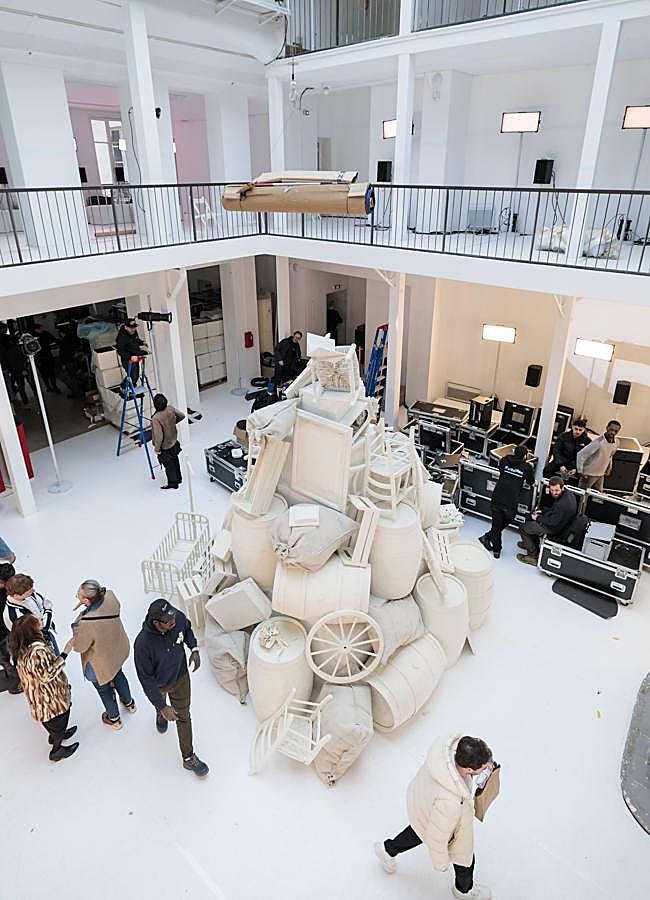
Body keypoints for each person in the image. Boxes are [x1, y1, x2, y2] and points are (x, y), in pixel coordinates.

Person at [374, 734, 493, 899]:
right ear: (469, 770)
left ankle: (387, 850)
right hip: (441, 815)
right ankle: (464, 891)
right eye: (482, 767)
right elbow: (436, 836)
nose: (486, 767)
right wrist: (441, 863)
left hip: (425, 805)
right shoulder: (450, 802)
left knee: (418, 830)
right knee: (465, 859)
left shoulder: (445, 752)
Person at [134, 599, 208, 777]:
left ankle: (188, 757)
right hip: (159, 685)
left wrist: (194, 648)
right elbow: (146, 680)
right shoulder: (142, 644)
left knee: (183, 716)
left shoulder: (178, 619)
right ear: (156, 623)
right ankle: (160, 714)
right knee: (162, 706)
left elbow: (187, 629)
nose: (173, 622)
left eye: (173, 618)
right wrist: (161, 706)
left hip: (181, 677)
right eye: (168, 622)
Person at [8, 614, 78, 762]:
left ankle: (56, 736)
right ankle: (57, 749)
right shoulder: (37, 651)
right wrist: (65, 653)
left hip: (39, 698)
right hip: (50, 698)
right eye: (37, 621)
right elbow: (46, 676)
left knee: (54, 724)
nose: (40, 620)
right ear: (32, 630)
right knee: (60, 719)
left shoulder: (20, 648)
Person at [70, 580, 135, 730]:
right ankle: (129, 703)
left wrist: (75, 626)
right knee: (119, 675)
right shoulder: (111, 597)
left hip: (101, 664)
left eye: (79, 596)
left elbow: (79, 647)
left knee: (104, 689)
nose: (77, 597)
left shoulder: (86, 623)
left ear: (86, 600)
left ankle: (114, 718)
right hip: (117, 652)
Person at [479, 445, 534, 559]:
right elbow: (530, 481)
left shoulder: (504, 460)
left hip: (497, 497)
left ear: (514, 453)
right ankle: (497, 550)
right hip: (511, 501)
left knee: (496, 525)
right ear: (525, 456)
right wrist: (529, 469)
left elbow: (501, 468)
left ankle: (488, 537)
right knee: (503, 523)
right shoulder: (526, 467)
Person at [517, 475, 577, 565]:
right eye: (552, 490)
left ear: (562, 487)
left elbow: (552, 522)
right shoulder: (568, 494)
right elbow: (554, 510)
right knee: (531, 518)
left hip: (554, 528)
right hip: (559, 522)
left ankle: (532, 555)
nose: (554, 493)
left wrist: (538, 518)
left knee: (523, 528)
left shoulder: (562, 504)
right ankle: (531, 544)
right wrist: (543, 511)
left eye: (556, 490)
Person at [4, 573, 59, 653]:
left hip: (46, 637)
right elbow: (42, 630)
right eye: (29, 591)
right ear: (16, 595)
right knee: (56, 664)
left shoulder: (30, 595)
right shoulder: (15, 615)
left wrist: (45, 614)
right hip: (35, 647)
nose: (33, 591)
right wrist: (48, 611)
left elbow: (41, 604)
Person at [151, 393, 185, 490]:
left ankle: (173, 483)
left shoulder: (156, 418)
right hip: (173, 440)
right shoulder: (170, 409)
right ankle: (179, 478)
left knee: (169, 466)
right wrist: (172, 423)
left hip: (165, 446)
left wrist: (157, 449)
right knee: (175, 460)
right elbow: (182, 416)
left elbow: (159, 436)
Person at [576, 420, 621, 492]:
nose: (613, 432)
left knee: (598, 496)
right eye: (611, 430)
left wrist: (609, 468)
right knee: (582, 495)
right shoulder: (598, 442)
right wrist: (580, 471)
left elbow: (610, 456)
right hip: (589, 474)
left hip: (600, 474)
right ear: (607, 428)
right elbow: (581, 454)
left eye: (616, 431)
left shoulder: (616, 442)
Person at [0, 562, 21, 694]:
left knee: (10, 661)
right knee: (9, 662)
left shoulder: (6, 592)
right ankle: (15, 685)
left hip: (5, 633)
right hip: (2, 636)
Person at [116, 318, 147, 387]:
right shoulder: (122, 337)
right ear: (126, 327)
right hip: (127, 359)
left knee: (135, 376)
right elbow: (120, 350)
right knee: (133, 377)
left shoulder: (133, 331)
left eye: (134, 327)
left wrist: (142, 342)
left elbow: (136, 340)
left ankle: (131, 388)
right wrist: (130, 357)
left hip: (135, 356)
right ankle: (124, 387)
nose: (133, 329)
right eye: (131, 328)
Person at [32, 323, 60, 393]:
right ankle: (49, 386)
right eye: (41, 328)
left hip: (47, 355)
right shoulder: (34, 336)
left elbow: (53, 339)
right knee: (44, 373)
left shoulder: (44, 333)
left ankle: (54, 386)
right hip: (40, 357)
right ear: (37, 329)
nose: (42, 329)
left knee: (51, 372)